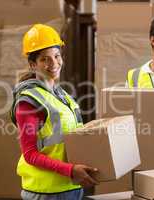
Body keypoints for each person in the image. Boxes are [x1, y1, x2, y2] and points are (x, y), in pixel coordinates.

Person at [10, 24, 99, 200]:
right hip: (46, 192)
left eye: (57, 56)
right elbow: (30, 154)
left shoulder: (62, 95)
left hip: (71, 186)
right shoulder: (29, 102)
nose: (54, 63)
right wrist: (71, 170)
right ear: (33, 64)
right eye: (45, 59)